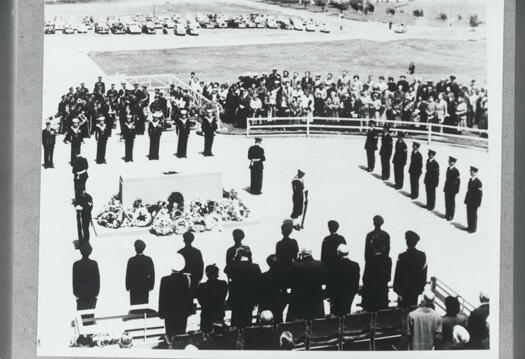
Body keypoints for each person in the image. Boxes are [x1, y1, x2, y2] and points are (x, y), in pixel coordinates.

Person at [286, 248, 327, 321]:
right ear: (311, 253)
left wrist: (297, 260)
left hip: (300, 300)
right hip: (316, 299)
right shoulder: (320, 264)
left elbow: (288, 279)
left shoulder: (296, 266)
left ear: (302, 254)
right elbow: (325, 279)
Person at [158, 254, 194, 337]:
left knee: (170, 336)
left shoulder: (165, 280)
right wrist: (188, 311)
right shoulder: (187, 279)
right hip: (182, 313)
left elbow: (162, 298)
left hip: (169, 314)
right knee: (181, 336)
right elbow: (189, 296)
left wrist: (161, 313)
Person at [227, 247, 261, 329]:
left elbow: (226, 269)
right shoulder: (255, 267)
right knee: (247, 321)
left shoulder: (233, 267)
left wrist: (234, 259)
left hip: (236, 298)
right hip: (249, 298)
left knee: (235, 322)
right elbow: (258, 284)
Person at [393, 231, 428, 308]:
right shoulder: (422, 256)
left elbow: (397, 275)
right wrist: (420, 288)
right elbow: (424, 274)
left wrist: (397, 290)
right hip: (414, 291)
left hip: (403, 291)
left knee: (402, 313)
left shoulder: (402, 256)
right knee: (412, 311)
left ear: (407, 241)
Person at [327, 244, 360, 316]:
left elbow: (331, 283)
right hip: (349, 296)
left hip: (337, 297)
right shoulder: (355, 265)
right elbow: (356, 282)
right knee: (347, 313)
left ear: (338, 253)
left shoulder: (334, 266)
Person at [361, 236, 391, 312]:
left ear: (373, 247)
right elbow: (388, 278)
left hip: (371, 294)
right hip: (382, 292)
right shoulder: (387, 260)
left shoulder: (369, 261)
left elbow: (365, 278)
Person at [196, 264, 228, 333]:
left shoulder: (202, 286)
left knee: (206, 336)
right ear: (217, 273)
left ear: (207, 274)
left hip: (206, 315)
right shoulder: (223, 284)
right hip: (219, 314)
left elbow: (200, 301)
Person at [72, 243, 100, 319]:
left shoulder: (76, 264)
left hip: (81, 297)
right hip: (91, 296)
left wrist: (76, 294)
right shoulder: (94, 264)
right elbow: (97, 281)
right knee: (90, 318)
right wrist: (95, 293)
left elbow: (75, 282)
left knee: (81, 319)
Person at [257, 254, 287, 323]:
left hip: (266, 305)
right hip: (278, 305)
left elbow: (260, 293)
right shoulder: (282, 276)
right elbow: (284, 292)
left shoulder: (263, 276)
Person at [125, 240, 155, 305]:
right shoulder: (148, 259)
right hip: (145, 287)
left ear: (135, 248)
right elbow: (152, 274)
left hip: (134, 287)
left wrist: (128, 286)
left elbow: (128, 275)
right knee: (144, 305)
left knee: (135, 307)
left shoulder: (131, 260)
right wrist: (151, 286)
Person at [464, 166, 483, 233]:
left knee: (473, 215)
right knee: (469, 214)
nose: (472, 173)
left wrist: (478, 203)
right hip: (469, 200)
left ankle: (473, 229)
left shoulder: (478, 182)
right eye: (471, 171)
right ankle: (469, 227)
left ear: (476, 173)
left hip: (474, 202)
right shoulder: (470, 180)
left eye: (473, 172)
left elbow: (480, 194)